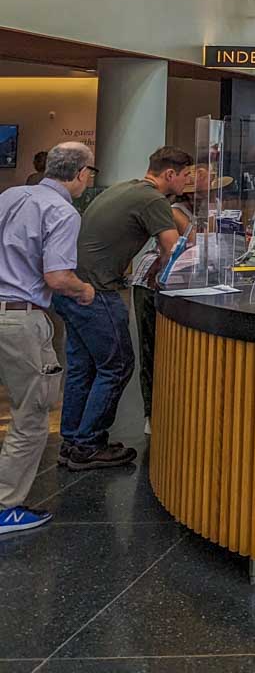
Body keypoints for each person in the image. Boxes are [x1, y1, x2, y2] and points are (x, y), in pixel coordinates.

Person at [55, 146, 192, 471]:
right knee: (116, 366)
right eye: (185, 175)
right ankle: (89, 445)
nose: (189, 180)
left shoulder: (126, 188)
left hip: (72, 286)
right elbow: (175, 250)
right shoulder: (154, 199)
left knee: (82, 367)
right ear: (169, 174)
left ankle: (73, 441)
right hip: (97, 291)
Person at [0, 143, 96, 534]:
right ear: (79, 174)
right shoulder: (62, 211)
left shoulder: (11, 195)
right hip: (22, 319)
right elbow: (57, 277)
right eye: (90, 172)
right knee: (32, 415)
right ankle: (5, 506)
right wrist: (84, 291)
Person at [130, 164, 226, 435]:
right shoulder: (174, 211)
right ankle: (151, 413)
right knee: (150, 348)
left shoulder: (203, 210)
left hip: (179, 280)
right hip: (152, 280)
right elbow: (195, 241)